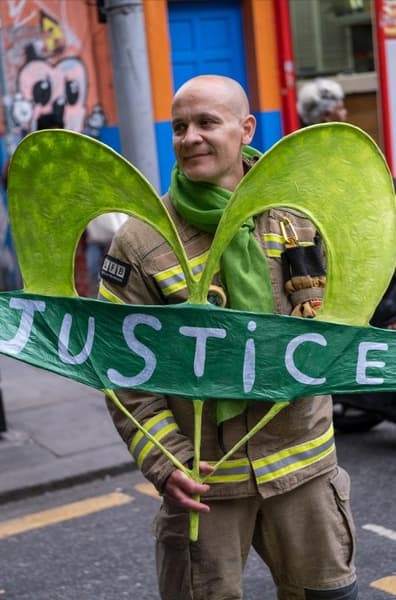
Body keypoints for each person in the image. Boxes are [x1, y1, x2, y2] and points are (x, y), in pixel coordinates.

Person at [99, 75, 358, 600]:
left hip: (306, 468)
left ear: (245, 130)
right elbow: (119, 368)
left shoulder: (301, 213)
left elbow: (345, 316)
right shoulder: (140, 240)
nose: (189, 136)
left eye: (206, 123)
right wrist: (165, 459)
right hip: (203, 481)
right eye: (179, 127)